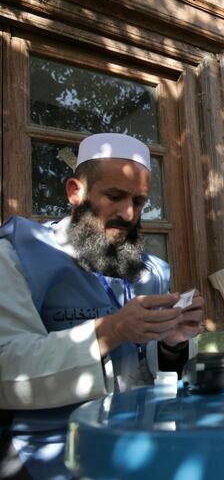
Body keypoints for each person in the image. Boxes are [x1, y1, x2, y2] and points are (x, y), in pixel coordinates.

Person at [0, 133, 204, 479]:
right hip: (47, 451)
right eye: (115, 196)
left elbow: (154, 372)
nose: (128, 214)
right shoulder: (16, 256)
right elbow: (7, 364)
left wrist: (174, 342)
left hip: (140, 447)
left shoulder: (150, 270)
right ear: (75, 192)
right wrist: (108, 332)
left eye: (139, 202)